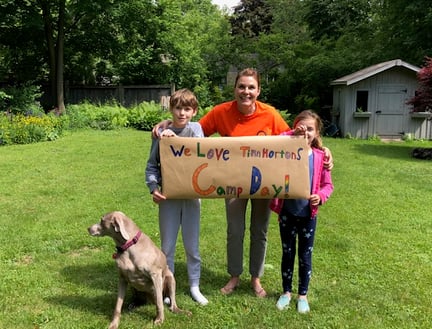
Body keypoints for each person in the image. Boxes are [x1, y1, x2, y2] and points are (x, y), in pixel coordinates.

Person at [152, 68, 333, 298]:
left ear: (258, 90)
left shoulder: (270, 114)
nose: (245, 91)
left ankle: (255, 278)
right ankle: (234, 275)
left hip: (265, 183)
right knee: (235, 230)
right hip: (233, 184)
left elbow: (296, 141)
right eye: (241, 86)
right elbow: (193, 134)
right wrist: (168, 123)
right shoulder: (221, 112)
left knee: (260, 231)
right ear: (235, 88)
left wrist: (323, 149)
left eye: (251, 87)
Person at [145, 88, 208, 305]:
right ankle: (166, 287)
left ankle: (194, 285)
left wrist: (176, 141)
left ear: (194, 111)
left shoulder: (196, 129)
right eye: (178, 108)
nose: (182, 113)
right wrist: (153, 188)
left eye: (187, 109)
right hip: (168, 198)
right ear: (171, 109)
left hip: (191, 197)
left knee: (192, 245)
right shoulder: (160, 136)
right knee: (167, 246)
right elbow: (152, 165)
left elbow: (201, 150)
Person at [270, 110, 334, 313]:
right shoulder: (286, 151)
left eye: (310, 129)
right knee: (287, 253)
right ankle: (286, 292)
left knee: (305, 256)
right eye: (301, 128)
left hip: (308, 215)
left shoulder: (320, 156)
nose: (305, 132)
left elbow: (327, 185)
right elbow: (277, 140)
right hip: (287, 213)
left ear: (317, 132)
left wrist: (321, 197)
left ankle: (302, 295)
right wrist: (293, 134)